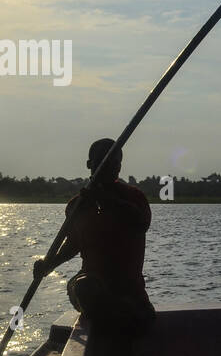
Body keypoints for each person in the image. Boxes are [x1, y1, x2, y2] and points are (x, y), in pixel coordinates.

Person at [33, 138, 155, 336]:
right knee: (85, 287)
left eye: (114, 163)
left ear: (119, 167)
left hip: (129, 292)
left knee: (125, 307)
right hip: (90, 285)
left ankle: (121, 321)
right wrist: (48, 265)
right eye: (102, 162)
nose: (109, 167)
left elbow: (140, 223)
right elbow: (73, 244)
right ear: (90, 164)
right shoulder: (77, 206)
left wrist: (105, 200)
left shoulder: (134, 199)